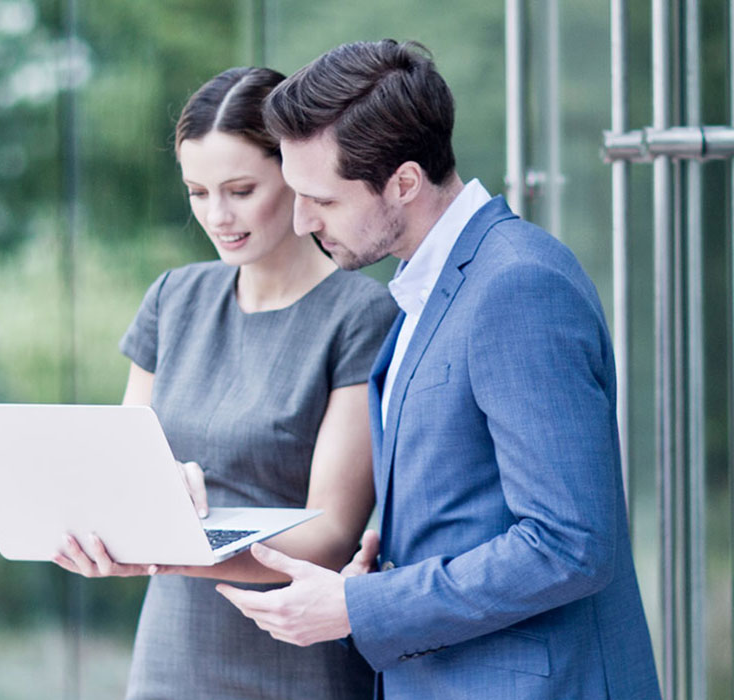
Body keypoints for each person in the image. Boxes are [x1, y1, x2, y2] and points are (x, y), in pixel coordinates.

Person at [208, 40, 663, 699]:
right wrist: (374, 576)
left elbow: (570, 543)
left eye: (324, 201)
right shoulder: (431, 289)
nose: (302, 220)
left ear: (404, 182)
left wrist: (362, 608)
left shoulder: (517, 286)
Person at [49, 66, 396, 699]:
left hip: (296, 649)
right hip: (174, 653)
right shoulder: (173, 298)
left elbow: (327, 537)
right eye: (197, 191)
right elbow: (122, 474)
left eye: (240, 189)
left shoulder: (359, 316)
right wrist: (109, 524)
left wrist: (172, 547)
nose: (217, 215)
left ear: (294, 173)